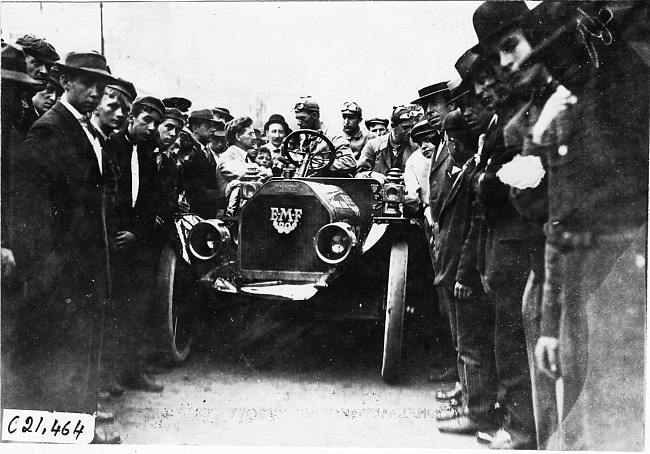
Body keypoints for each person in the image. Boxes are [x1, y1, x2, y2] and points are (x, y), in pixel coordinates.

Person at [9, 50, 121, 444]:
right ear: (64, 81)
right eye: (85, 84)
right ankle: (71, 430)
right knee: (64, 352)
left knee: (83, 349)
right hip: (64, 269)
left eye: (99, 86)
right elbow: (33, 211)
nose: (93, 93)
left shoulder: (82, 128)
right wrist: (50, 271)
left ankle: (82, 422)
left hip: (85, 262)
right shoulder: (51, 130)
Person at [433, 109, 500, 436]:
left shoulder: (471, 173)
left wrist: (463, 275)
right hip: (453, 269)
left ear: (454, 140)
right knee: (464, 345)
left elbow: (471, 229)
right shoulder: (467, 170)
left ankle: (479, 413)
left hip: (462, 273)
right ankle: (471, 404)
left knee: (472, 347)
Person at [104, 96, 166, 394]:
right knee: (112, 307)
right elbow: (105, 196)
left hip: (137, 243)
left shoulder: (148, 153)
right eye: (146, 121)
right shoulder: (110, 146)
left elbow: (151, 200)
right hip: (112, 242)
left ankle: (133, 371)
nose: (151, 128)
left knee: (138, 307)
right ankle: (109, 374)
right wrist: (118, 233)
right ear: (131, 118)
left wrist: (137, 234)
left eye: (155, 123)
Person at [293, 96, 356, 176]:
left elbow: (350, 162)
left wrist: (322, 164)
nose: (298, 122)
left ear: (314, 116)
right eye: (297, 118)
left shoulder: (334, 137)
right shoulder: (305, 137)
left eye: (302, 118)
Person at [355, 105, 418, 183]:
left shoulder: (416, 147)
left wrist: (407, 177)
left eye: (412, 127)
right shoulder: (373, 146)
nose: (410, 131)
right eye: (405, 128)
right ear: (393, 127)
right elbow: (358, 175)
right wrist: (372, 175)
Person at [182, 109, 225, 219]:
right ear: (195, 128)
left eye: (213, 126)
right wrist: (223, 194)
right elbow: (194, 192)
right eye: (208, 126)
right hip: (192, 216)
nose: (213, 130)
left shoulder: (207, 152)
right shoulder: (190, 152)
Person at [15, 34, 60, 136]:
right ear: (20, 63)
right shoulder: (8, 101)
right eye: (36, 63)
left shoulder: (27, 104)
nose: (44, 71)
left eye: (48, 66)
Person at [91, 78, 137, 144]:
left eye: (125, 109)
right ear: (95, 106)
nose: (120, 114)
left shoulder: (110, 144)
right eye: (113, 106)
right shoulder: (84, 137)